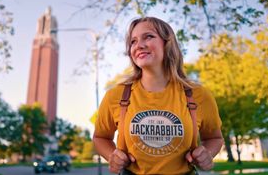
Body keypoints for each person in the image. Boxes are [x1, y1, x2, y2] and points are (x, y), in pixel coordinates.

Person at [93, 17, 223, 175]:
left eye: (148, 36)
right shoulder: (116, 95)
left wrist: (207, 154)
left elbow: (214, 138)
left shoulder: (198, 95)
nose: (139, 45)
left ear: (167, 43)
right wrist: (112, 156)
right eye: (133, 41)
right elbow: (100, 137)